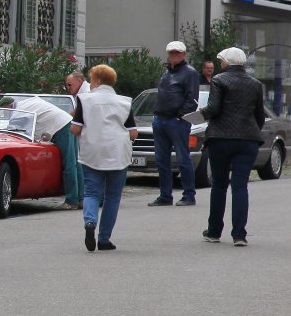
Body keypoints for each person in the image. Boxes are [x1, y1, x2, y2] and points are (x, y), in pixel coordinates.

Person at [200, 47, 267, 247]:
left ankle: (214, 231)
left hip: (220, 137)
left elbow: (214, 109)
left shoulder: (219, 80)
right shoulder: (255, 84)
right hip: (248, 139)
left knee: (219, 184)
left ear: (227, 63)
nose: (220, 63)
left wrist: (201, 113)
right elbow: (260, 115)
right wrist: (252, 132)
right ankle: (239, 234)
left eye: (221, 60)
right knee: (240, 186)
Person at [73, 64, 136, 252]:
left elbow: (75, 128)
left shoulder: (84, 100)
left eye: (91, 80)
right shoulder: (125, 102)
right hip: (118, 152)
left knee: (91, 192)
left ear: (98, 81)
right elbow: (133, 133)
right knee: (113, 196)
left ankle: (90, 221)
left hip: (92, 151)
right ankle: (104, 239)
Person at [148, 41, 201, 207]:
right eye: (171, 53)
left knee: (182, 158)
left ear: (183, 54)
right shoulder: (166, 72)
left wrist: (180, 116)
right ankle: (165, 195)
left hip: (176, 121)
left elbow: (192, 99)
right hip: (161, 119)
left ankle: (189, 195)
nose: (174, 55)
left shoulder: (190, 72)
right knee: (161, 159)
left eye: (177, 53)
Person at [10, 95, 80, 210]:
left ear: (9, 106)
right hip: (67, 122)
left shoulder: (19, 111)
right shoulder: (28, 102)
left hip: (61, 127)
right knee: (75, 162)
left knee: (69, 163)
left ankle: (71, 201)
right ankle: (81, 199)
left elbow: (16, 128)